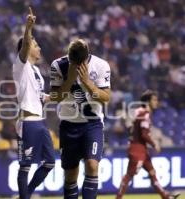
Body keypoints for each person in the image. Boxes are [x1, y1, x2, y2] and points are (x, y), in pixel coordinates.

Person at [50, 39, 111, 199]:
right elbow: (55, 97)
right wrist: (69, 79)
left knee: (92, 165)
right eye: (73, 62)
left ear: (86, 58)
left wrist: (88, 84)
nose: (76, 66)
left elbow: (105, 97)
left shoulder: (101, 65)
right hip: (68, 125)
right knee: (70, 174)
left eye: (79, 63)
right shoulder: (58, 65)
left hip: (92, 124)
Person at [12, 7, 55, 199]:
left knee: (50, 163)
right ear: (28, 48)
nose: (39, 48)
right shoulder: (20, 66)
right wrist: (28, 29)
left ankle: (26, 195)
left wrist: (58, 95)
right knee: (25, 166)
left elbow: (41, 97)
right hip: (27, 122)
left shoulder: (37, 72)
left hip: (40, 122)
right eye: (36, 45)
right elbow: (26, 44)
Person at [116, 90, 180, 199]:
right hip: (137, 149)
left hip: (142, 149)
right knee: (129, 175)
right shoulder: (144, 114)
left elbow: (132, 127)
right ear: (147, 101)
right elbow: (144, 134)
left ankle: (165, 196)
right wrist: (154, 144)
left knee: (152, 172)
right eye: (154, 100)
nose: (156, 102)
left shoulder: (140, 112)